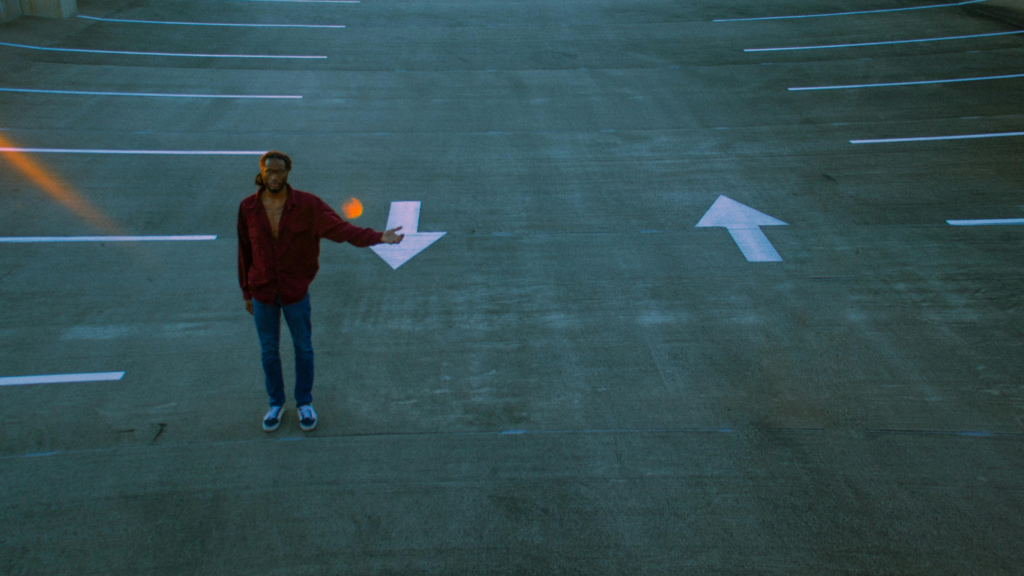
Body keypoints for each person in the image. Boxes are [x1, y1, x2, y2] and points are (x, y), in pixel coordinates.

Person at [238, 151, 404, 432]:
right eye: (270, 171)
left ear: (288, 173)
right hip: (262, 292)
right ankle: (276, 404)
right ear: (262, 172)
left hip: (294, 292)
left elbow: (341, 230)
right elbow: (244, 251)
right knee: (269, 351)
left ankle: (304, 402)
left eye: (280, 171)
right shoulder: (248, 208)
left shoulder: (308, 206)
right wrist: (246, 292)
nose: (274, 176)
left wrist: (378, 237)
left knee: (303, 348)